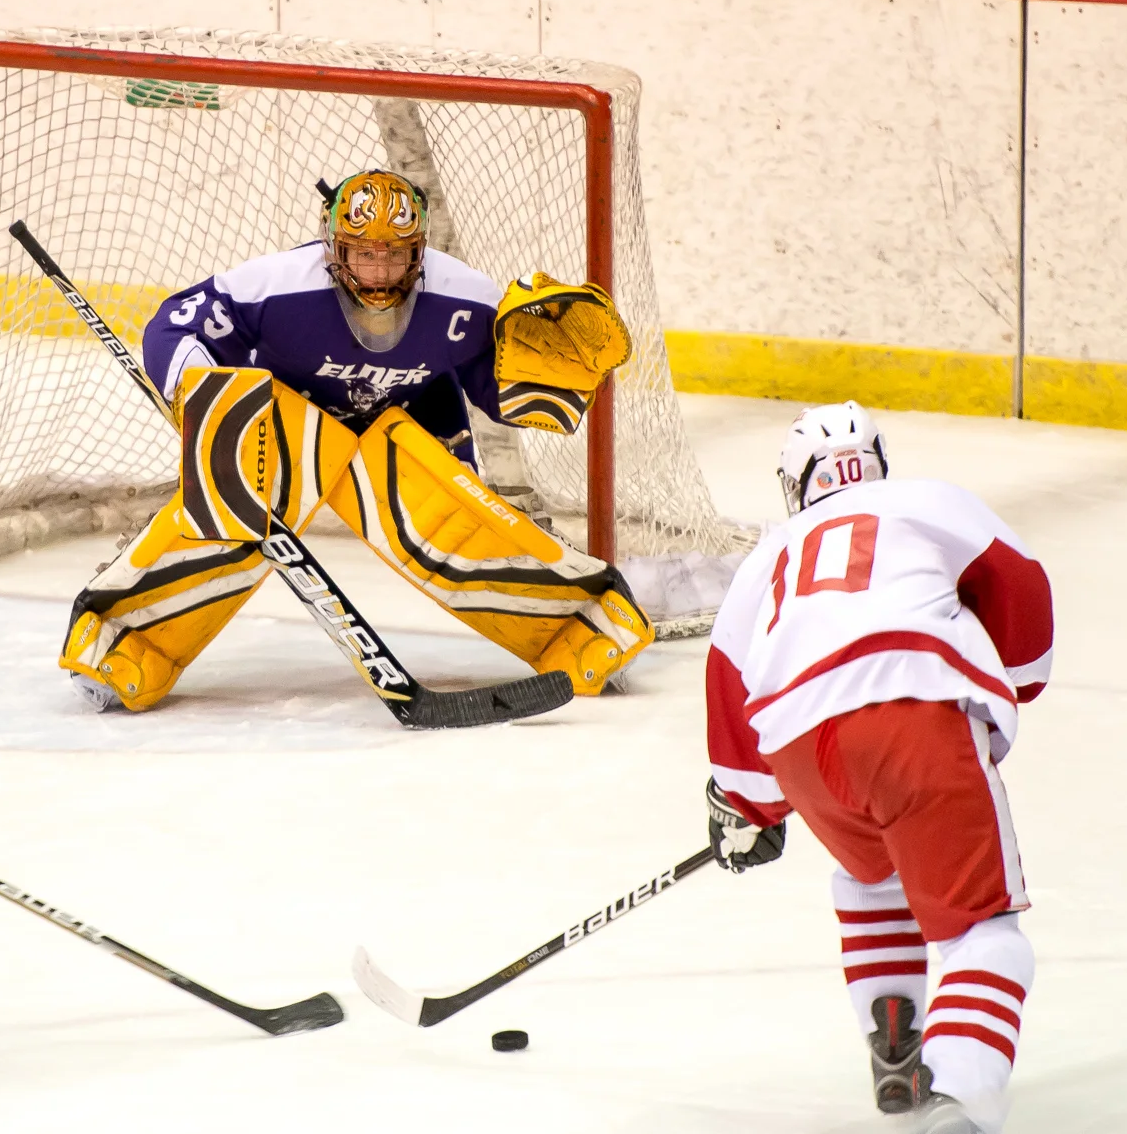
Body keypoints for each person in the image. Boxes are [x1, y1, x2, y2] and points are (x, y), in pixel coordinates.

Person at [61, 169, 652, 713]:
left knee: (459, 531)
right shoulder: (276, 284)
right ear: (332, 246)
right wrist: (198, 389)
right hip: (296, 424)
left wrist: (534, 376)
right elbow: (174, 323)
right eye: (363, 254)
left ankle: (587, 631)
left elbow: (492, 390)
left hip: (412, 426)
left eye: (395, 256)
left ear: (418, 250)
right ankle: (117, 647)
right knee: (229, 515)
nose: (378, 271)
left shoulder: (465, 297)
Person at [704, 401, 1052, 1134]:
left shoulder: (769, 552)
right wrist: (1012, 681)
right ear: (877, 460)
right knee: (984, 931)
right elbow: (1020, 583)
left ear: (795, 483)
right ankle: (955, 1096)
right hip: (913, 715)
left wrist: (748, 806)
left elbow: (728, 676)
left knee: (874, 873)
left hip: (799, 747)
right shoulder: (926, 498)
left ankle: (896, 1042)